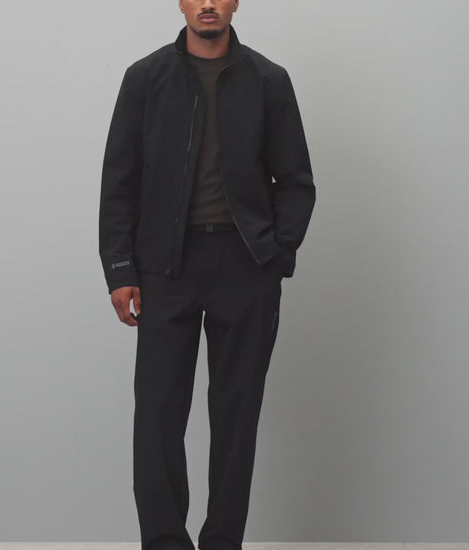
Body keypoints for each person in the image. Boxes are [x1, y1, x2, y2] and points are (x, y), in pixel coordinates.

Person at [98, 2, 316, 550]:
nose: (208, 3)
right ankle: (164, 541)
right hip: (164, 268)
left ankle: (222, 542)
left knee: (236, 415)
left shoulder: (269, 80)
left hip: (245, 266)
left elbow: (295, 180)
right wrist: (120, 269)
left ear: (236, 1)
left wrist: (276, 256)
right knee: (158, 415)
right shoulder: (145, 78)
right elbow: (119, 181)